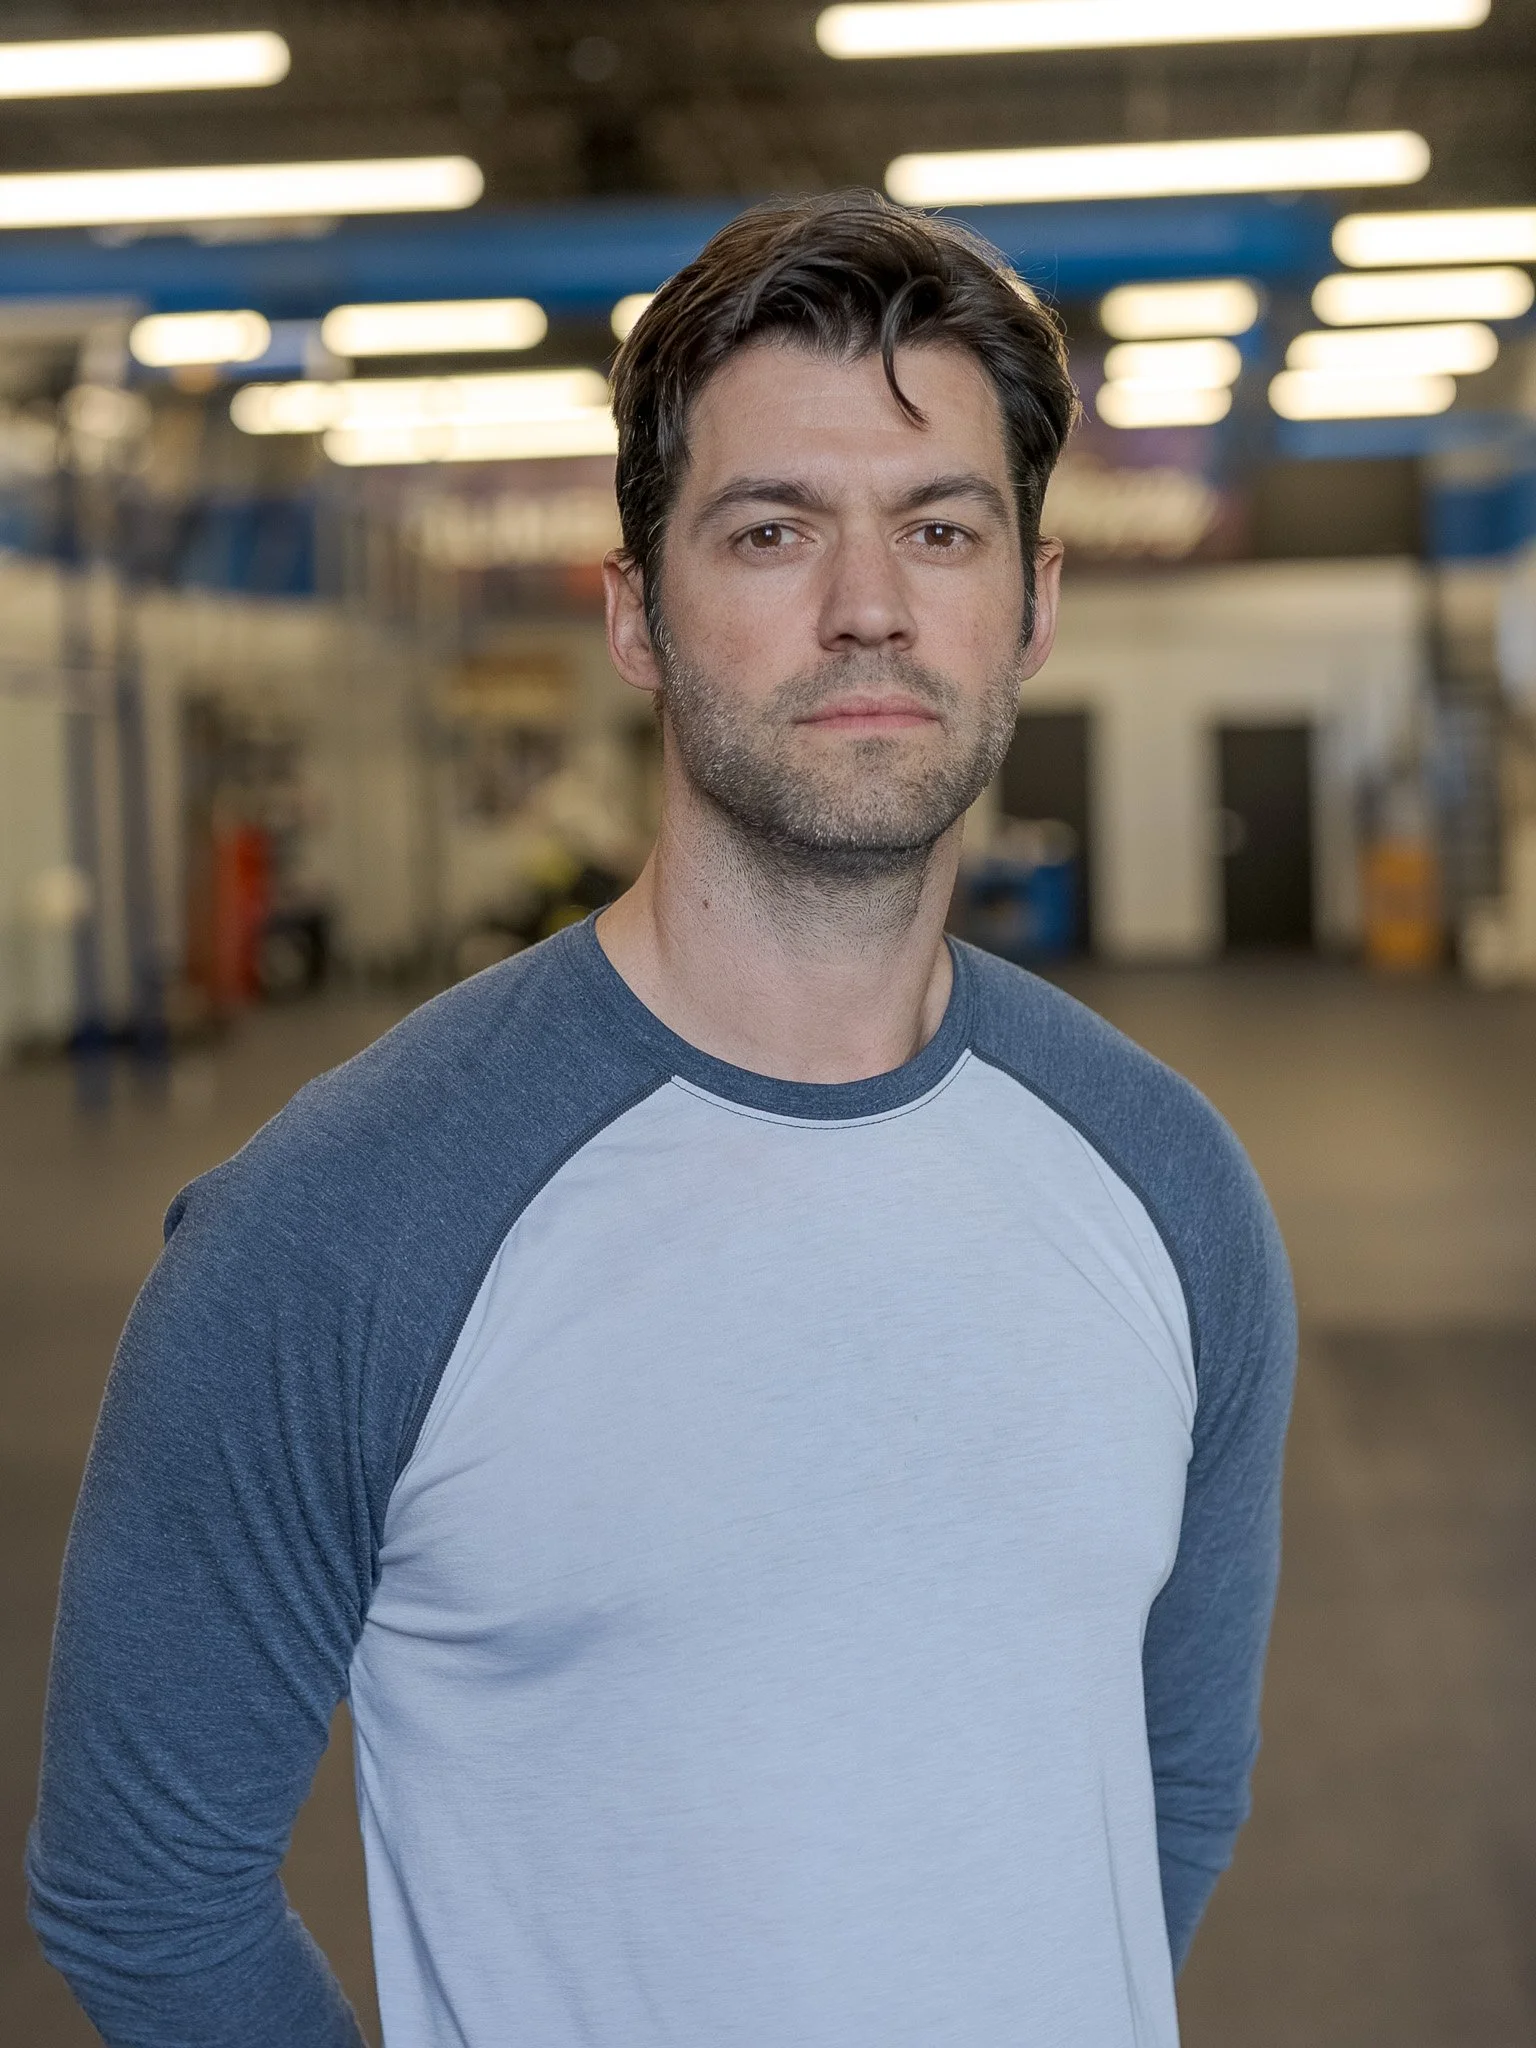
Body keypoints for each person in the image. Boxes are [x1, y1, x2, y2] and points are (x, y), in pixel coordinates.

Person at [30, 193, 1294, 2048]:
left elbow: (1170, 1789)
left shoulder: (1168, 1184)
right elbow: (142, 1894)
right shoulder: (344, 1224)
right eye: (771, 530)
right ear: (635, 613)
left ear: (1032, 603)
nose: (870, 604)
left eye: (941, 528)